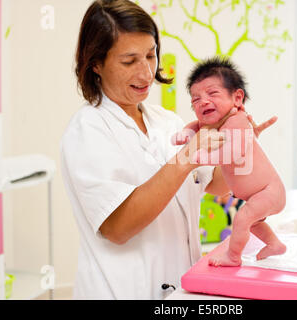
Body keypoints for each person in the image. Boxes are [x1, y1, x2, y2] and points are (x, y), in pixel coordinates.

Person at [60, 0, 277, 299]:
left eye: (151, 55)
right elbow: (118, 227)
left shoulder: (166, 121)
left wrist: (243, 148)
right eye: (129, 61)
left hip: (179, 290)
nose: (146, 72)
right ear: (96, 63)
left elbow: (214, 183)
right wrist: (185, 158)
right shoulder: (87, 131)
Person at [173, 57, 287, 267]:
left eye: (212, 93)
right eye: (195, 100)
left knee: (242, 219)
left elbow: (232, 153)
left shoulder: (238, 121)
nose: (203, 102)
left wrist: (204, 156)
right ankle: (274, 244)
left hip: (269, 191)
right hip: (257, 194)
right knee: (252, 222)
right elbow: (195, 126)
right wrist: (185, 134)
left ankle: (233, 257)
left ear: (237, 98)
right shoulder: (213, 123)